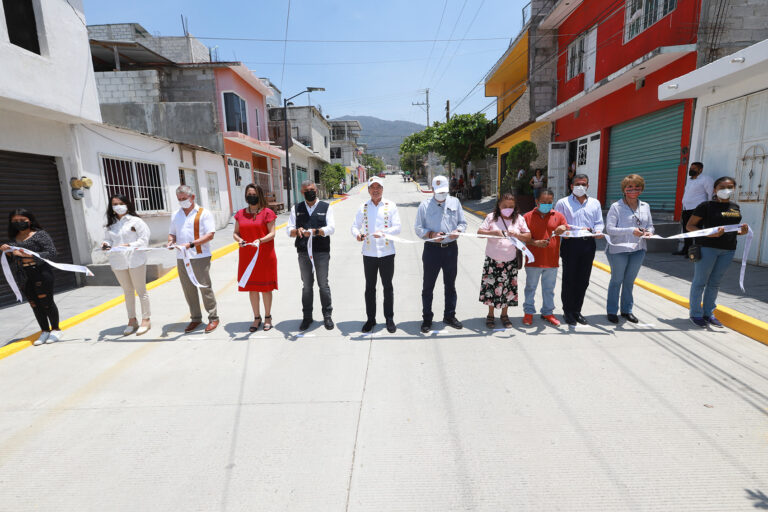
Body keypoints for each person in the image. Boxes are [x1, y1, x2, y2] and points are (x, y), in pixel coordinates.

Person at [687, 176, 749, 327]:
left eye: (729, 187)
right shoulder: (706, 206)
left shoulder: (735, 207)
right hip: (707, 248)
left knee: (715, 283)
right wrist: (709, 233)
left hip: (728, 249)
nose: (726, 190)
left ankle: (709, 313)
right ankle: (695, 314)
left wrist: (743, 231)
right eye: (722, 187)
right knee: (700, 282)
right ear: (714, 189)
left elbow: (734, 229)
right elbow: (690, 226)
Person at [414, 175, 467, 333]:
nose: (441, 195)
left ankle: (449, 315)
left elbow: (462, 223)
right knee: (428, 286)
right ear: (432, 190)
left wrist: (458, 231)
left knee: (450, 285)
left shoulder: (455, 202)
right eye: (438, 192)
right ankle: (427, 318)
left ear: (448, 189)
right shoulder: (424, 206)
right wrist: (431, 235)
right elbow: (418, 228)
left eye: (444, 192)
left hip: (451, 249)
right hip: (432, 250)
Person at [2, 209, 62, 345]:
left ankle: (56, 329)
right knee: (34, 304)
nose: (19, 223)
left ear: (30, 220)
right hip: (23, 275)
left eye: (22, 220)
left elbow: (52, 253)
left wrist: (27, 255)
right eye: (15, 221)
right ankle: (45, 330)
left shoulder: (40, 235)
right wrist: (8, 252)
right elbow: (12, 261)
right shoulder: (13, 240)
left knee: (46, 302)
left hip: (41, 272)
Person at [351, 176, 402, 333]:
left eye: (378, 187)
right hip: (369, 254)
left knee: (388, 287)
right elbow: (354, 226)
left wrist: (384, 233)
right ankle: (370, 319)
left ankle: (389, 318)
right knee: (370, 288)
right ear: (368, 190)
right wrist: (357, 235)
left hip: (387, 253)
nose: (375, 190)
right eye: (372, 187)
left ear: (382, 189)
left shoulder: (390, 205)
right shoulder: (363, 207)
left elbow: (397, 227)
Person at [167, 185, 219, 334]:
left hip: (199, 256)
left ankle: (213, 317)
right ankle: (195, 318)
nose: (182, 201)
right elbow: (172, 233)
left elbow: (210, 235)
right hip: (181, 257)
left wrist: (191, 244)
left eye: (184, 198)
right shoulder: (176, 214)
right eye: (179, 199)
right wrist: (170, 241)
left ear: (192, 197)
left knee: (204, 287)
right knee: (188, 289)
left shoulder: (204, 213)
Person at [554, 173, 604, 326]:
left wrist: (598, 231)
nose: (580, 187)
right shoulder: (563, 203)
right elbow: (557, 223)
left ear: (588, 186)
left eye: (583, 184)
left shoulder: (595, 203)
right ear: (571, 186)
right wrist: (564, 233)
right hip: (571, 244)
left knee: (583, 279)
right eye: (577, 184)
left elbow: (599, 222)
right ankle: (567, 311)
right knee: (569, 279)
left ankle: (577, 310)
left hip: (588, 244)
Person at [604, 175, 654, 324]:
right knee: (617, 280)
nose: (633, 190)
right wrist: (631, 230)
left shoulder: (645, 206)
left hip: (638, 249)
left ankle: (627, 310)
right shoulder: (616, 207)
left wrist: (649, 232)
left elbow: (650, 224)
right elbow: (610, 229)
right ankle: (612, 311)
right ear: (624, 189)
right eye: (629, 187)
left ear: (641, 189)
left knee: (629, 281)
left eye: (637, 187)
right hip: (619, 249)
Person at [477, 192, 532, 328]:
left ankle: (504, 315)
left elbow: (528, 236)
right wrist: (493, 233)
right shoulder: (491, 218)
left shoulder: (519, 219)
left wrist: (518, 235)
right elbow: (479, 233)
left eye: (511, 206)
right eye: (505, 205)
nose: (508, 208)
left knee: (508, 289)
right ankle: (490, 315)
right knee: (491, 288)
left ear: (515, 207)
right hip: (493, 261)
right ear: (499, 205)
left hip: (510, 261)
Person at [101, 194, 152, 336]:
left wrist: (128, 245)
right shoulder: (110, 225)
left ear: (127, 204)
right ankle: (132, 320)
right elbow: (107, 240)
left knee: (141, 291)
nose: (118, 206)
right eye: (115, 204)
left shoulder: (136, 222)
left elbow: (144, 240)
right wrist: (105, 245)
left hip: (136, 260)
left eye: (121, 203)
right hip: (118, 261)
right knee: (127, 291)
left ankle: (146, 319)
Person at [288, 180, 336, 331]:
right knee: (307, 286)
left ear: (316, 190)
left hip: (321, 251)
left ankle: (327, 315)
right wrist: (298, 231)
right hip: (303, 253)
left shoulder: (325, 207)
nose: (310, 192)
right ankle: (307, 317)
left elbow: (331, 228)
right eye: (306, 190)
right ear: (302, 192)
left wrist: (316, 231)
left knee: (323, 284)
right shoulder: (296, 208)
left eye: (312, 189)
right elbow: (289, 230)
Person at [234, 184, 277, 332]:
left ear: (259, 195)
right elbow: (236, 233)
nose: (250, 196)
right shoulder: (240, 214)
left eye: (253, 194)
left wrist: (261, 240)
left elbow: (272, 233)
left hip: (264, 255)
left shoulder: (267, 213)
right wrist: (239, 240)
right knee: (252, 288)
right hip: (247, 256)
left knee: (265, 288)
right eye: (248, 194)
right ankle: (256, 317)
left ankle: (267, 317)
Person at [522, 189, 568, 327]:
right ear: (536, 201)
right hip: (533, 261)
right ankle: (528, 313)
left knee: (549, 289)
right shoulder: (527, 217)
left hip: (552, 261)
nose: (547, 205)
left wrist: (564, 228)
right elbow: (521, 238)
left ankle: (548, 312)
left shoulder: (558, 216)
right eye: (543, 202)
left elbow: (567, 229)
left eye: (550, 202)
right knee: (530, 288)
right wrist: (534, 243)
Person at [675, 162, 713, 256]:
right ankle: (686, 250)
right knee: (686, 230)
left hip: (697, 209)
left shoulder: (706, 179)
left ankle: (695, 252)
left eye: (694, 168)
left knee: (696, 231)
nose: (691, 170)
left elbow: (711, 194)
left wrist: (708, 208)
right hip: (686, 208)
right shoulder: (690, 180)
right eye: (691, 168)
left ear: (700, 170)